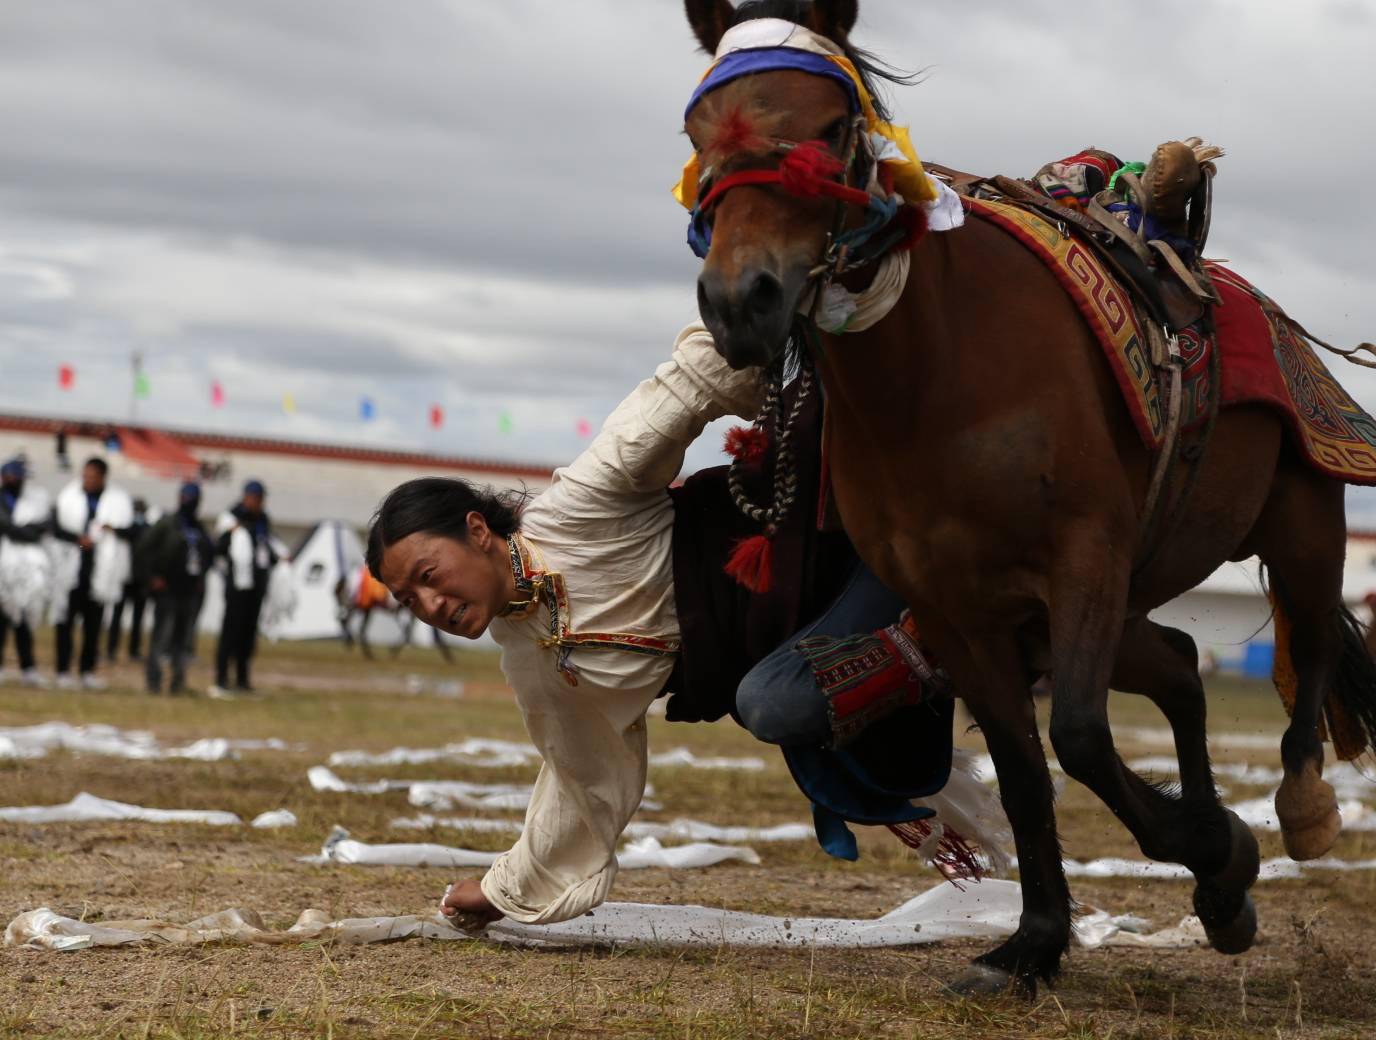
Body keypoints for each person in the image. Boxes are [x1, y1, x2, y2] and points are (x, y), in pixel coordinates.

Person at [368, 327, 963, 932]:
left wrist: (766, 333)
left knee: (772, 702)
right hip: (815, 634)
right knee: (781, 704)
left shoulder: (578, 508)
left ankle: (949, 628)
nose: (430, 603)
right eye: (408, 598)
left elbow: (682, 390)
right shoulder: (528, 658)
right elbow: (581, 779)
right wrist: (502, 891)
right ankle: (944, 635)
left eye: (428, 574)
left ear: (476, 531)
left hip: (844, 542)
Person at [50, 457, 133, 689]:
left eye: (93, 477)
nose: (87, 481)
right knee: (65, 622)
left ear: (103, 478)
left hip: (100, 572)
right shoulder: (68, 497)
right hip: (72, 567)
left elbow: (131, 531)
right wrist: (79, 541)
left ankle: (87, 671)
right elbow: (57, 531)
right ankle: (63, 670)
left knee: (93, 626)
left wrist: (111, 529)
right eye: (85, 476)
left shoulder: (118, 501)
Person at [136, 483, 216, 695]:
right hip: (167, 590)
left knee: (182, 640)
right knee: (161, 637)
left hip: (188, 591)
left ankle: (177, 683)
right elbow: (143, 550)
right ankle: (154, 682)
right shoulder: (167, 524)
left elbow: (209, 554)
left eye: (192, 498)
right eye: (185, 497)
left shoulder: (198, 528)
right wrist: (152, 578)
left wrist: (200, 577)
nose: (188, 501)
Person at [214, 480, 281, 693]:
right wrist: (233, 532)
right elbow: (220, 548)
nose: (258, 502)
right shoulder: (232, 517)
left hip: (257, 584)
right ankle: (222, 677)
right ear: (246, 497)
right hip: (237, 585)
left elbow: (266, 547)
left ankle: (242, 678)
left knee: (248, 634)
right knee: (230, 631)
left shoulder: (263, 519)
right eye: (255, 498)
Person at [0, 455, 53, 686]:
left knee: (24, 619)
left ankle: (28, 667)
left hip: (27, 569)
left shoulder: (35, 500)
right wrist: (23, 532)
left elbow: (44, 526)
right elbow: (8, 527)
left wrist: (20, 531)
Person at [104, 497, 152, 664]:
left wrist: (113, 528)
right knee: (118, 616)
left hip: (139, 580)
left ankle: (132, 650)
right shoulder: (137, 528)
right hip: (125, 578)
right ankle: (112, 650)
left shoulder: (145, 529)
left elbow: (128, 532)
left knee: (136, 618)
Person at [1354, 589, 1376, 665]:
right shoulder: (1363, 616)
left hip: (1370, 658)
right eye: (1373, 604)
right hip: (1361, 657)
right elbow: (1361, 638)